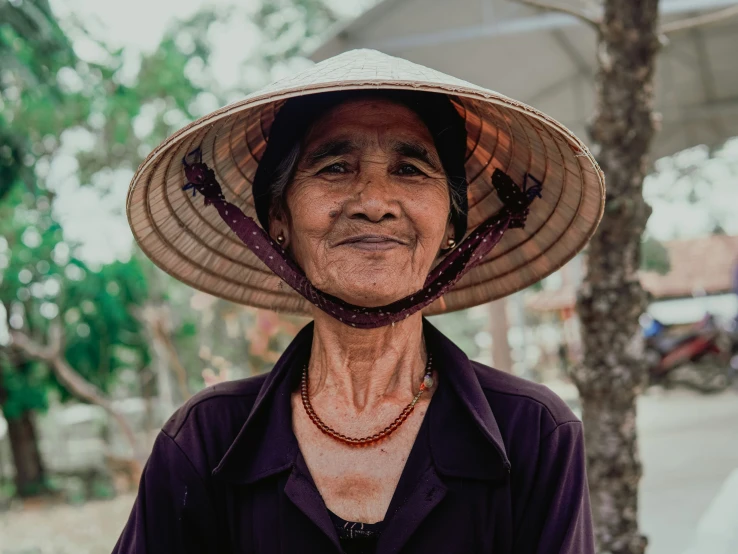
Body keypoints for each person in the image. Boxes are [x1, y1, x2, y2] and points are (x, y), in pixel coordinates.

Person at [115, 49, 604, 553]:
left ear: (452, 228)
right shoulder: (205, 441)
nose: (373, 203)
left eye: (411, 169)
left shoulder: (533, 434)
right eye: (334, 166)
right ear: (277, 221)